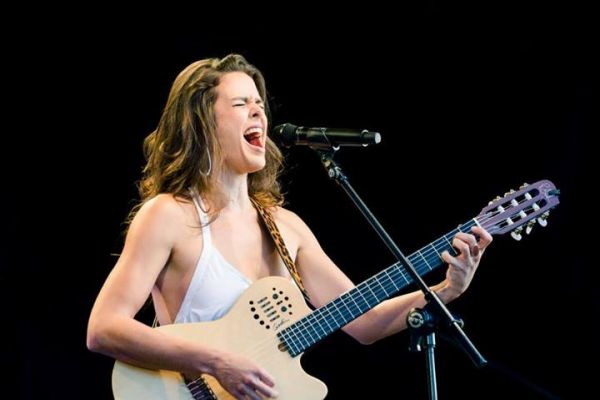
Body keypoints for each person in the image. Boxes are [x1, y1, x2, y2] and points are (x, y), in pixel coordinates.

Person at [87, 53, 493, 399]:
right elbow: (103, 328)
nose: (258, 112)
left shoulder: (286, 227)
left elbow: (365, 322)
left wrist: (446, 290)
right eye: (241, 103)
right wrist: (216, 362)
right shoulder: (169, 215)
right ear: (202, 122)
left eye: (259, 103)